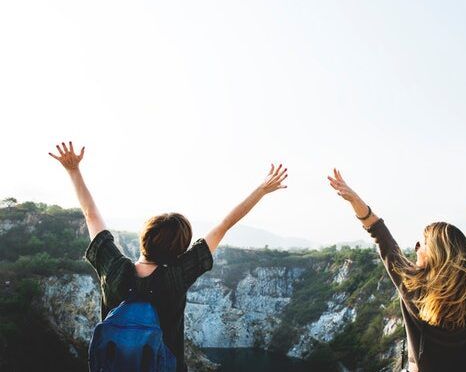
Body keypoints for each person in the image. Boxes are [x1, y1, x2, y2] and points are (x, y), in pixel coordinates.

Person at [49, 141, 288, 371]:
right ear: (180, 249)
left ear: (144, 237)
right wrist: (262, 190)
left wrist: (73, 170)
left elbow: (90, 214)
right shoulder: (177, 274)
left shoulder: (115, 269)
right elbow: (225, 224)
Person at [327, 149, 466, 372]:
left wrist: (355, 200)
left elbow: (380, 235)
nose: (416, 248)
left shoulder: (413, 288)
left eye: (421, 244)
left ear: (434, 256)